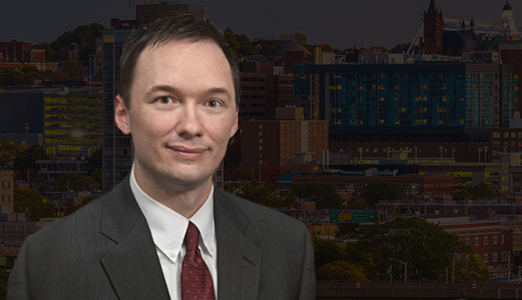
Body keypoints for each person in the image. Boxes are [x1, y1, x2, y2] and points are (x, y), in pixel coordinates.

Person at [7, 15, 314, 300]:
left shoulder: (287, 247)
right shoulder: (48, 260)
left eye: (212, 102)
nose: (191, 126)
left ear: (234, 120)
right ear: (123, 114)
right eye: (166, 99)